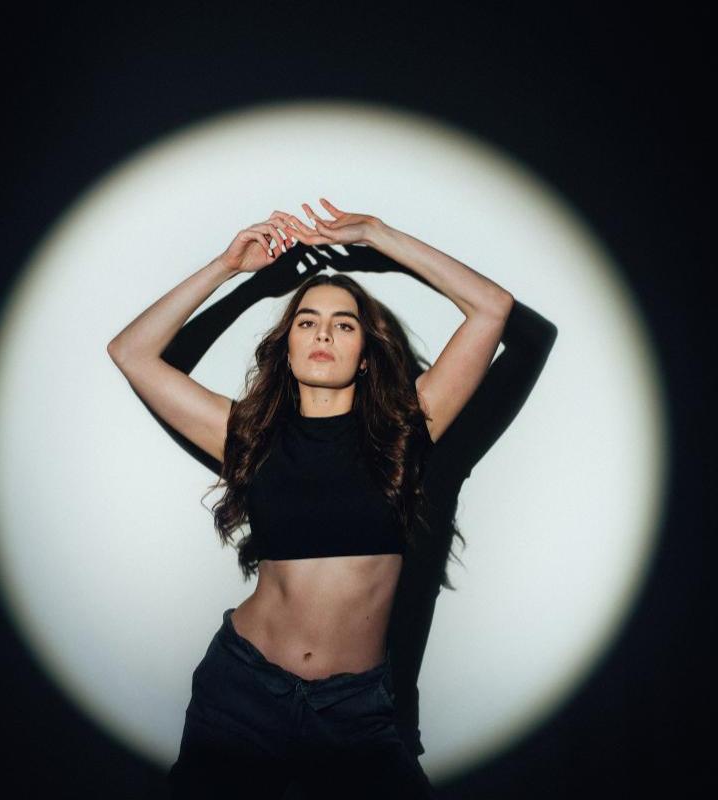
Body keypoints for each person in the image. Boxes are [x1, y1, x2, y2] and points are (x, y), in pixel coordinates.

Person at [107, 198, 515, 798]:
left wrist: (379, 236)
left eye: (344, 324)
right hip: (241, 690)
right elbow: (130, 352)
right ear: (288, 347)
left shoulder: (409, 428)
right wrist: (228, 269)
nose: (323, 332)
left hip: (354, 710)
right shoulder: (246, 434)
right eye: (306, 322)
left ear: (366, 355)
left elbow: (492, 308)